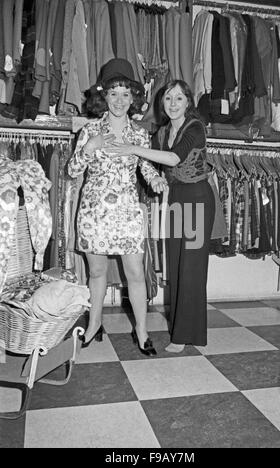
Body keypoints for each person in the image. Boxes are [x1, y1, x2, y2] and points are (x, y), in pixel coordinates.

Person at [105, 79, 215, 353]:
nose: (173, 104)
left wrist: (132, 148)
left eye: (179, 98)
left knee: (192, 268)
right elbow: (151, 165)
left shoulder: (196, 128)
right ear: (161, 103)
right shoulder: (163, 131)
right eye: (168, 99)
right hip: (177, 200)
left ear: (188, 102)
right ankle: (179, 329)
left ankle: (186, 335)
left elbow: (175, 159)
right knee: (176, 266)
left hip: (198, 200)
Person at [68, 58, 167, 356]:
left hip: (127, 209)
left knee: (135, 273)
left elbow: (145, 166)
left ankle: (141, 329)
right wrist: (90, 146)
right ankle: (95, 323)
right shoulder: (90, 129)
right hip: (95, 210)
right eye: (113, 93)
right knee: (96, 272)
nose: (120, 100)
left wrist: (155, 180)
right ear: (104, 96)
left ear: (133, 97)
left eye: (125, 93)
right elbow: (72, 171)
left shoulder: (139, 133)